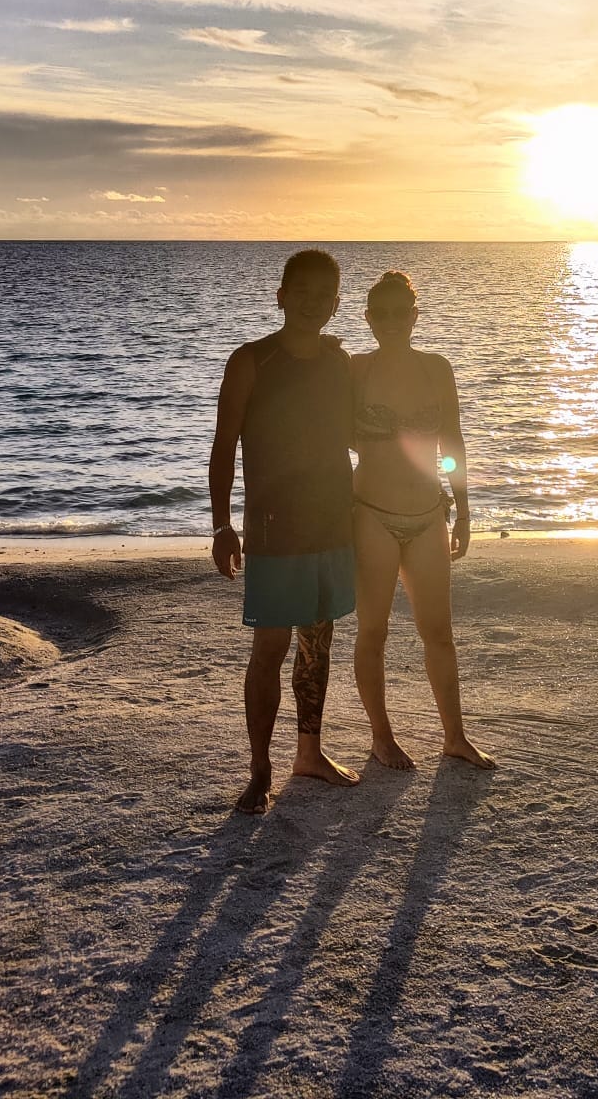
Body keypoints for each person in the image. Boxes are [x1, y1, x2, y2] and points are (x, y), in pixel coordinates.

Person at [209, 248, 362, 814]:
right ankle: (259, 769)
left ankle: (309, 753)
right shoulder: (252, 360)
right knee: (269, 648)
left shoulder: (337, 362)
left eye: (324, 296)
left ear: (336, 303)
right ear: (280, 297)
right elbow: (224, 445)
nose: (311, 304)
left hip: (331, 520)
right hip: (273, 527)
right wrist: (222, 524)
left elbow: (352, 435)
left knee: (317, 642)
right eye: (301, 293)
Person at [349, 271, 495, 770]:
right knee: (374, 632)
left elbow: (452, 443)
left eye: (400, 313)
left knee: (440, 633)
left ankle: (454, 736)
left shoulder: (437, 369)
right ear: (368, 318)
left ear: (415, 316)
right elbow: (329, 437)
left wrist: (464, 508)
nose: (391, 322)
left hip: (429, 513)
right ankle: (381, 737)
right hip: (371, 514)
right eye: (380, 314)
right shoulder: (356, 370)